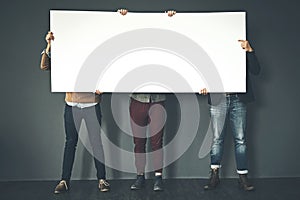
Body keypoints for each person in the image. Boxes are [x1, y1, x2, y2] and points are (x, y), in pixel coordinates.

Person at [40, 31, 110, 193]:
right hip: (72, 105)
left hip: (92, 104)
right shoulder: (67, 52)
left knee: (96, 143)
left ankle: (102, 179)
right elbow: (44, 66)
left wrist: (104, 87)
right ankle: (64, 180)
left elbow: (109, 74)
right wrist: (49, 45)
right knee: (70, 143)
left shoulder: (96, 55)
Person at [118, 9, 176, 191]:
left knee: (157, 142)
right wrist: (123, 19)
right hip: (137, 100)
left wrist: (170, 21)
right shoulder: (133, 49)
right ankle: (140, 176)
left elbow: (173, 41)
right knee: (139, 141)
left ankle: (158, 178)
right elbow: (121, 40)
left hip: (158, 100)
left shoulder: (163, 49)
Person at [200, 40, 261, 191]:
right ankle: (214, 175)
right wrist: (202, 85)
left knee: (240, 139)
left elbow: (256, 70)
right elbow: (201, 72)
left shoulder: (241, 47)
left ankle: (243, 177)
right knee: (217, 139)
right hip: (218, 97)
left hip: (238, 98)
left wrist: (249, 50)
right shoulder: (211, 49)